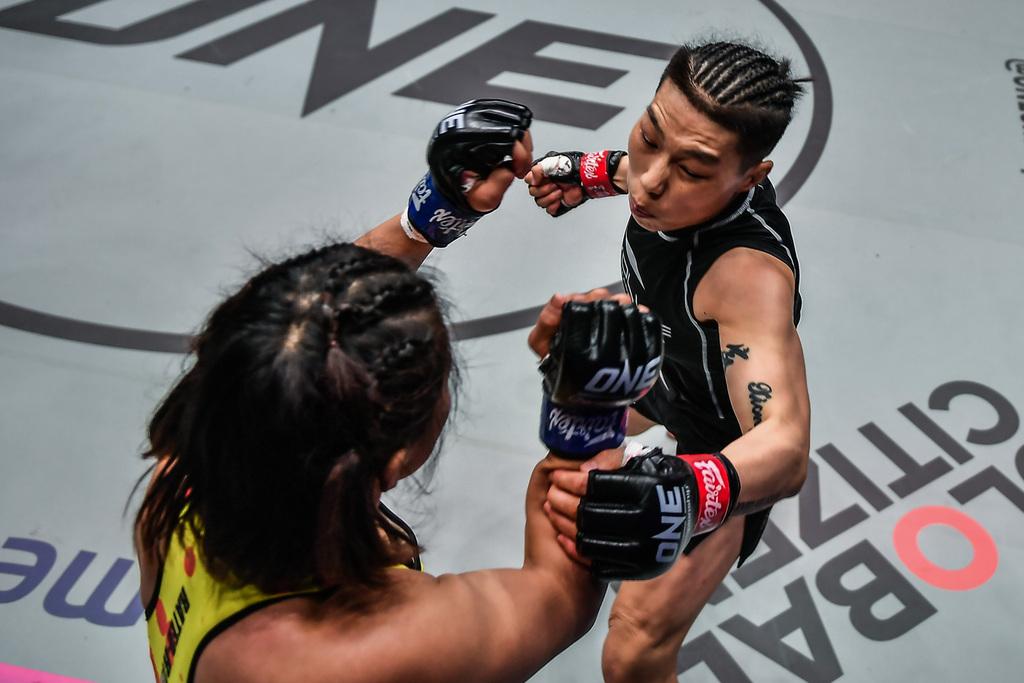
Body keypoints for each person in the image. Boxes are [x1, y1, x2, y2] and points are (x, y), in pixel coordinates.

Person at [133, 99, 612, 683]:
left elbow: (292, 326)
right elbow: (560, 597)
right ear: (395, 454)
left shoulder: (186, 476)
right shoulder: (380, 646)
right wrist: (591, 402)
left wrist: (437, 211)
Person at [525, 40, 813, 681]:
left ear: (750, 178)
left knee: (633, 647)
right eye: (649, 136)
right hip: (665, 372)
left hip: (721, 440)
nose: (651, 181)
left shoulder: (747, 277)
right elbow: (645, 167)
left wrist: (692, 487)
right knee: (568, 415)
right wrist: (588, 172)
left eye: (693, 169)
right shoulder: (664, 174)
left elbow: (787, 447)